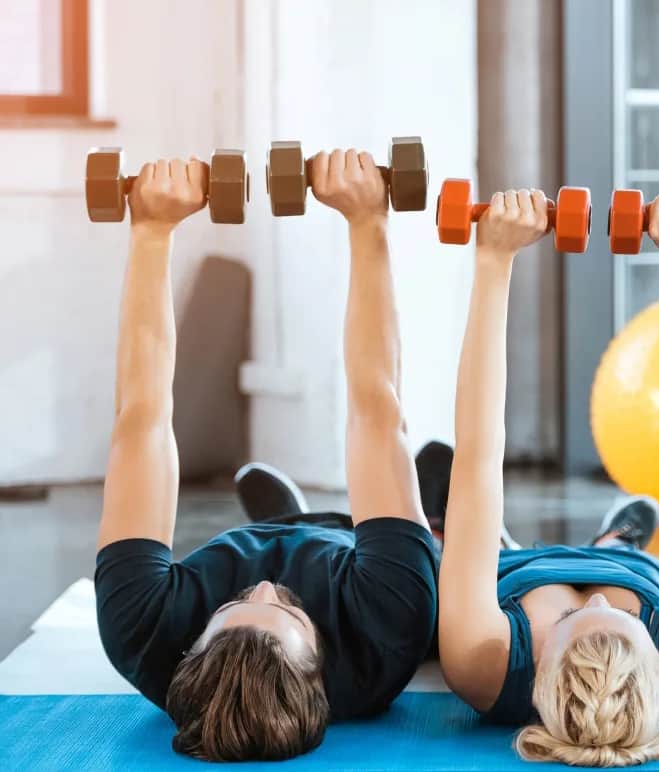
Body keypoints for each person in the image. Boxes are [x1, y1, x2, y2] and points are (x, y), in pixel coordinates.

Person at [94, 152, 438, 761]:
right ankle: (440, 518)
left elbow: (142, 422)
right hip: (353, 560)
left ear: (190, 647)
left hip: (291, 546)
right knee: (459, 568)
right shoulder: (385, 628)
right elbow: (376, 411)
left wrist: (150, 231)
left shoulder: (142, 633)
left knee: (271, 540)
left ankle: (284, 519)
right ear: (323, 674)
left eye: (232, 606)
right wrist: (368, 221)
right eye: (289, 612)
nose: (263, 587)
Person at [436, 192, 659, 766]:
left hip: (514, 572)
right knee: (618, 559)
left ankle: (410, 529)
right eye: (627, 618)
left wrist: (494, 261)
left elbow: (478, 457)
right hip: (635, 569)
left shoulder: (482, 664)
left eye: (571, 621)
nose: (599, 596)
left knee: (440, 546)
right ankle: (617, 542)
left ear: (540, 674)